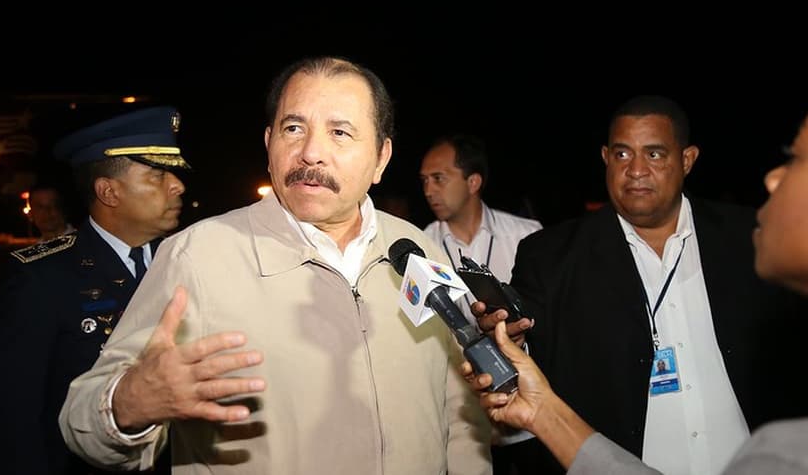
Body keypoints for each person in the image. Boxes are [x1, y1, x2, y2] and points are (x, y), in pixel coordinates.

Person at [58, 56, 492, 474]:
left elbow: (460, 405)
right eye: (293, 128)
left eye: (340, 132)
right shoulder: (198, 256)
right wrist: (128, 403)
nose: (311, 153)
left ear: (381, 157)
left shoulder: (418, 248)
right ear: (269, 145)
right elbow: (82, 418)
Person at [472, 95, 808, 474]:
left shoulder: (752, 238)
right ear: (605, 158)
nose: (635, 170)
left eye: (654, 154)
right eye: (621, 155)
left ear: (687, 160)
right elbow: (530, 347)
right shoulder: (551, 256)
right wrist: (507, 343)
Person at [0, 105, 189, 475]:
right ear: (109, 191)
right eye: (157, 175)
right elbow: (17, 413)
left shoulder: (187, 261)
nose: (177, 185)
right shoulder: (43, 278)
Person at [419, 133, 542, 472]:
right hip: (463, 428)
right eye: (424, 181)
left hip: (530, 422)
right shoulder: (420, 246)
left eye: (439, 178)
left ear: (473, 181)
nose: (428, 190)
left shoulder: (528, 236)